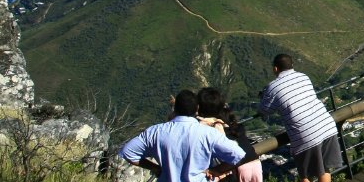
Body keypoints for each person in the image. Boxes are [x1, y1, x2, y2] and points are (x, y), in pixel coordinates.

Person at [119, 89, 246, 182]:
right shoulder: (208, 133)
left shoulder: (156, 131)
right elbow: (239, 156)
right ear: (197, 109)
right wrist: (217, 170)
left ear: (175, 109)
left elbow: (128, 152)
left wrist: (155, 168)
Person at [259, 54, 342, 182]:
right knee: (324, 169)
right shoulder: (304, 76)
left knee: (305, 176)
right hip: (327, 126)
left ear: (275, 69)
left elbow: (264, 111)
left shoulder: (273, 87)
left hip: (306, 134)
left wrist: (264, 96)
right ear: (292, 65)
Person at [197, 87, 263, 182]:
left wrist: (215, 170)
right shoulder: (228, 119)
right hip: (255, 163)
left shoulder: (212, 125)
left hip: (239, 167)